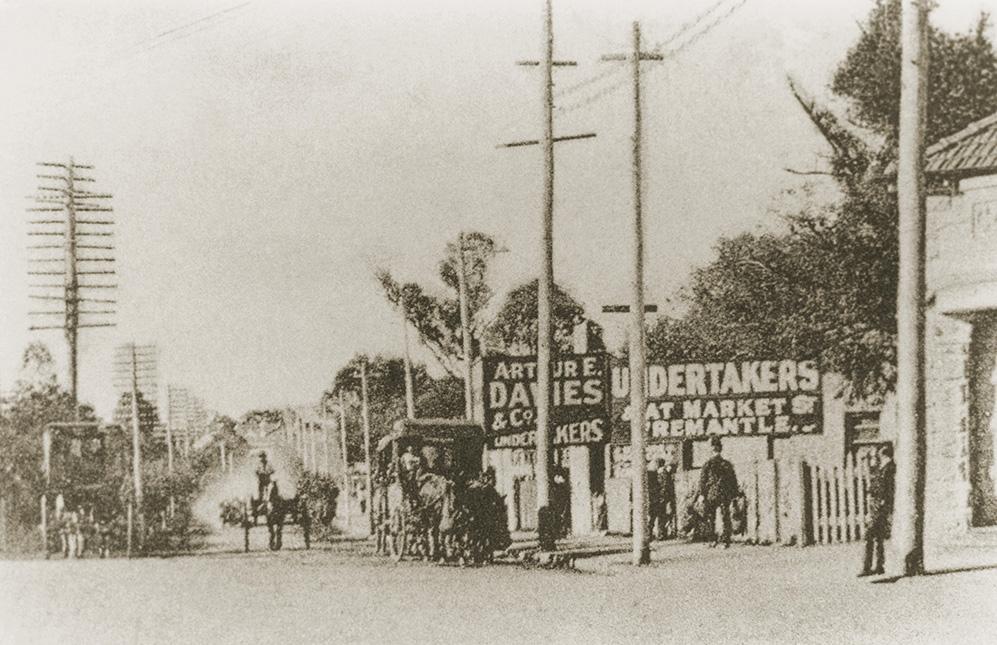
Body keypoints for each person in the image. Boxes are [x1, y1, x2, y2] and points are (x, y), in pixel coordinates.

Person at [860, 444, 896, 577]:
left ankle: (867, 566)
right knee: (878, 538)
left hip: (879, 505)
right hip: (878, 504)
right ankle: (879, 566)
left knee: (868, 535)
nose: (877, 456)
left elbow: (887, 488)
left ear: (884, 453)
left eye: (878, 453)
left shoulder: (889, 468)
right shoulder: (883, 468)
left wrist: (881, 503)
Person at [698, 436, 739, 548]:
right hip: (725, 493)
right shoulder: (727, 464)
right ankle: (725, 541)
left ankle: (712, 540)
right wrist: (735, 495)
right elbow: (733, 481)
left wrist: (701, 494)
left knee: (711, 517)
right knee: (725, 516)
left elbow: (703, 480)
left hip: (712, 493)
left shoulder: (708, 464)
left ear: (712, 449)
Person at [646, 459, 662, 540]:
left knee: (652, 516)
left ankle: (649, 533)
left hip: (652, 499)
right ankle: (648, 533)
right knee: (651, 516)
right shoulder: (651, 474)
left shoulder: (650, 474)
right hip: (651, 499)